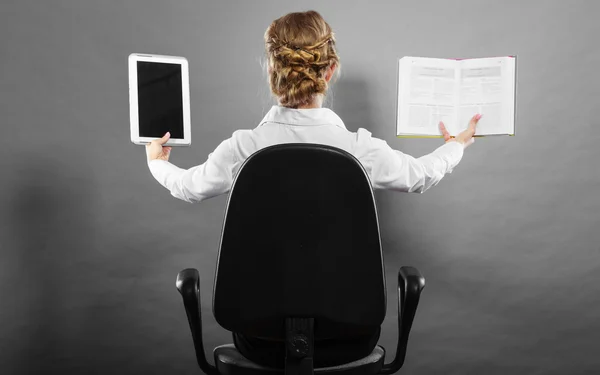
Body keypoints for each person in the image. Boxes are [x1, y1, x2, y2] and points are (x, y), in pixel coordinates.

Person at [145, 10, 480, 368]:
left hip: (258, 337)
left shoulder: (243, 147)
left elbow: (188, 187)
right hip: (351, 333)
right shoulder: (358, 147)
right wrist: (455, 145)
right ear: (330, 71)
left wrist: (156, 162)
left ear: (272, 71)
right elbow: (419, 176)